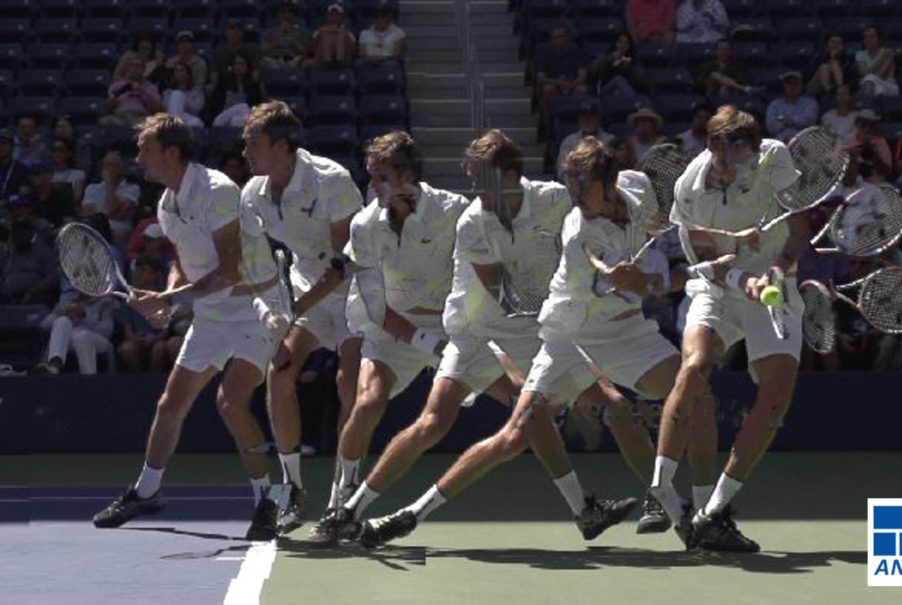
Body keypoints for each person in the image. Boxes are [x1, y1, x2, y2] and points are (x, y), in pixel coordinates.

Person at [357, 137, 683, 548]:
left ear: (511, 177)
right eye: (473, 181)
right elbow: (511, 297)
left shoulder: (563, 200)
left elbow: (633, 212)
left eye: (483, 181)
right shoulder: (483, 222)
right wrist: (602, 281)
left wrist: (634, 237)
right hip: (514, 332)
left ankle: (664, 506)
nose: (477, 191)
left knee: (601, 411)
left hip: (557, 331)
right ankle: (387, 512)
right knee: (476, 428)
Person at [91, 114, 284, 541]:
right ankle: (146, 491)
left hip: (255, 307)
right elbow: (185, 261)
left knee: (230, 402)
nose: (139, 157)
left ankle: (268, 500)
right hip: (212, 315)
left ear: (172, 152)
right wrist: (169, 293)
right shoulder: (167, 203)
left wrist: (172, 301)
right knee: (170, 404)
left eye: (145, 149)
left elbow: (230, 270)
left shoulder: (218, 190)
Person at [654, 105, 810, 552]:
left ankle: (714, 511)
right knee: (695, 365)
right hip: (719, 288)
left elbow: (799, 227)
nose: (747, 160)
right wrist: (745, 280)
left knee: (777, 394)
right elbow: (707, 262)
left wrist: (777, 269)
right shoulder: (688, 187)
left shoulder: (773, 158)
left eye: (751, 150)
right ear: (714, 145)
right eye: (739, 150)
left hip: (775, 287)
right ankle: (660, 489)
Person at [306, 131, 473, 544]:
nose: (373, 186)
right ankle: (339, 505)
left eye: (382, 177)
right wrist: (431, 346)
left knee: (514, 400)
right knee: (367, 402)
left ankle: (582, 504)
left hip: (450, 325)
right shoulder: (365, 224)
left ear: (408, 175)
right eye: (371, 176)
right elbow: (379, 311)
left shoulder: (455, 210)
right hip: (391, 326)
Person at [239, 100, 364, 534]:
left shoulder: (332, 181)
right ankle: (292, 488)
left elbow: (344, 264)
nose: (245, 152)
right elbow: (252, 265)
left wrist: (293, 309)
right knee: (280, 373)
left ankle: (342, 497)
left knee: (349, 385)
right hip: (303, 290)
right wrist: (269, 311)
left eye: (253, 143)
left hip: (354, 293)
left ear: (282, 147)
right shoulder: (253, 193)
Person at [34, 291, 116, 375]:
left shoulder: (104, 302)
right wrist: (62, 314)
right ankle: (54, 366)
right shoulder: (68, 301)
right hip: (70, 338)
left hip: (96, 339)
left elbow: (107, 331)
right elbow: (44, 325)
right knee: (62, 321)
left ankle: (89, 376)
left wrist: (83, 317)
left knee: (80, 336)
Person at [81, 151, 140, 243]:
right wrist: (112, 214)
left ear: (123, 168)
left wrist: (109, 184)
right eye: (106, 165)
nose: (108, 169)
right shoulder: (91, 188)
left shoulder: (133, 189)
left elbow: (116, 212)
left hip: (119, 235)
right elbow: (88, 214)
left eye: (113, 165)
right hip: (93, 230)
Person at [536, 24, 589, 120]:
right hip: (555, 85)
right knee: (548, 89)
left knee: (582, 90)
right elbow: (541, 78)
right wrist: (558, 83)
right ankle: (549, 121)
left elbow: (582, 76)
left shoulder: (579, 54)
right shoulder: (545, 55)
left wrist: (571, 85)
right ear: (552, 40)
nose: (559, 40)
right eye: (556, 37)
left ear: (569, 38)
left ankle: (578, 120)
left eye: (562, 36)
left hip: (573, 84)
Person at [0, 218, 58, 305]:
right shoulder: (6, 257)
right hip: (8, 300)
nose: (20, 235)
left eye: (23, 231)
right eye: (16, 232)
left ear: (31, 233)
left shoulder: (43, 253)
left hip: (37, 298)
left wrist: (34, 291)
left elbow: (53, 277)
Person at [556, 100, 613, 180]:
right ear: (579, 119)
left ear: (599, 117)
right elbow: (561, 170)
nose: (587, 120)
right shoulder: (569, 141)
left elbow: (614, 169)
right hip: (574, 183)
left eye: (591, 116)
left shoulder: (610, 140)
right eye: (583, 116)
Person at [101, 56, 162, 128]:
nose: (134, 69)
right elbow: (108, 106)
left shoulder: (150, 87)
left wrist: (142, 94)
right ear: (127, 68)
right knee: (104, 121)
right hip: (120, 117)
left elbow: (158, 109)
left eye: (138, 66)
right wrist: (122, 94)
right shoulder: (116, 86)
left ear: (143, 69)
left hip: (141, 117)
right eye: (132, 65)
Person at [209, 54, 265, 128]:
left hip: (241, 120)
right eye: (237, 64)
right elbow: (216, 104)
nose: (239, 67)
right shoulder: (223, 84)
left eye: (242, 64)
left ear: (247, 67)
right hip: (223, 118)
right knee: (243, 107)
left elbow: (256, 107)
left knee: (236, 120)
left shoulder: (253, 87)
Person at [765, 71, 819, 143]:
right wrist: (795, 121)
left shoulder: (810, 103)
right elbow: (771, 127)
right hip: (780, 142)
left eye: (796, 83)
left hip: (804, 142)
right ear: (783, 86)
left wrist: (789, 120)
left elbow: (809, 121)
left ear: (802, 86)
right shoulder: (775, 104)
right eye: (789, 83)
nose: (792, 86)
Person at [590, 33, 647, 101]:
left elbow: (641, 78)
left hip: (624, 90)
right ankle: (633, 102)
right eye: (620, 42)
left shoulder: (633, 60)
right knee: (619, 80)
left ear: (629, 46)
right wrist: (610, 58)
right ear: (615, 43)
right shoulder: (607, 55)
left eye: (626, 43)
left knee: (618, 93)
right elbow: (594, 68)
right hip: (606, 88)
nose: (622, 45)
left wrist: (630, 69)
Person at [261, 1, 310, 71]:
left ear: (293, 15)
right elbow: (263, 51)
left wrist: (293, 37)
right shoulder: (268, 32)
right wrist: (278, 34)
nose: (286, 15)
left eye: (289, 11)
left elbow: (305, 52)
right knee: (262, 62)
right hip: (274, 60)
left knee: (306, 61)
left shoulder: (302, 31)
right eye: (283, 12)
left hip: (294, 60)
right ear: (278, 14)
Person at [856, 26, 898, 98]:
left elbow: (880, 75)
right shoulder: (860, 54)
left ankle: (867, 103)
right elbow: (864, 73)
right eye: (866, 37)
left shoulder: (888, 53)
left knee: (873, 80)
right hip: (867, 86)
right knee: (878, 89)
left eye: (872, 36)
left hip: (887, 85)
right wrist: (881, 57)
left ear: (879, 39)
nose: (868, 39)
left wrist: (882, 54)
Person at [161, 63, 205, 128]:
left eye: (181, 70)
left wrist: (183, 98)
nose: (178, 73)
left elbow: (197, 109)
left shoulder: (196, 92)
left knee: (196, 122)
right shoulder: (168, 93)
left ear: (188, 75)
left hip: (188, 119)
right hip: (171, 120)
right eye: (176, 71)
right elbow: (165, 109)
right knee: (176, 94)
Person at [50, 137, 86, 202]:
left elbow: (76, 198)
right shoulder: (47, 175)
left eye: (61, 150)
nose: (57, 153)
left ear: (69, 153)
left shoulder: (79, 174)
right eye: (54, 150)